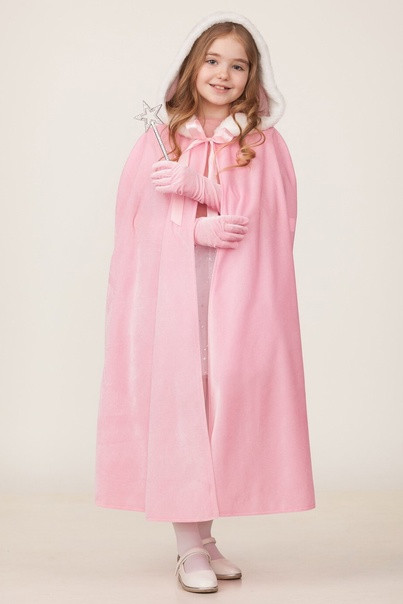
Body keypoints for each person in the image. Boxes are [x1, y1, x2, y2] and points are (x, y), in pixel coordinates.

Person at [95, 10, 316, 594]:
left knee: (218, 413)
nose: (223, 73)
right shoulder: (161, 139)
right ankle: (186, 545)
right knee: (180, 411)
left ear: (252, 77)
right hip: (175, 304)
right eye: (213, 60)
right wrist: (191, 231)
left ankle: (205, 536)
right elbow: (135, 228)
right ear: (193, 67)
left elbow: (269, 220)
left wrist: (203, 190)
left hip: (235, 307)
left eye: (238, 66)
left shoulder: (262, 144)